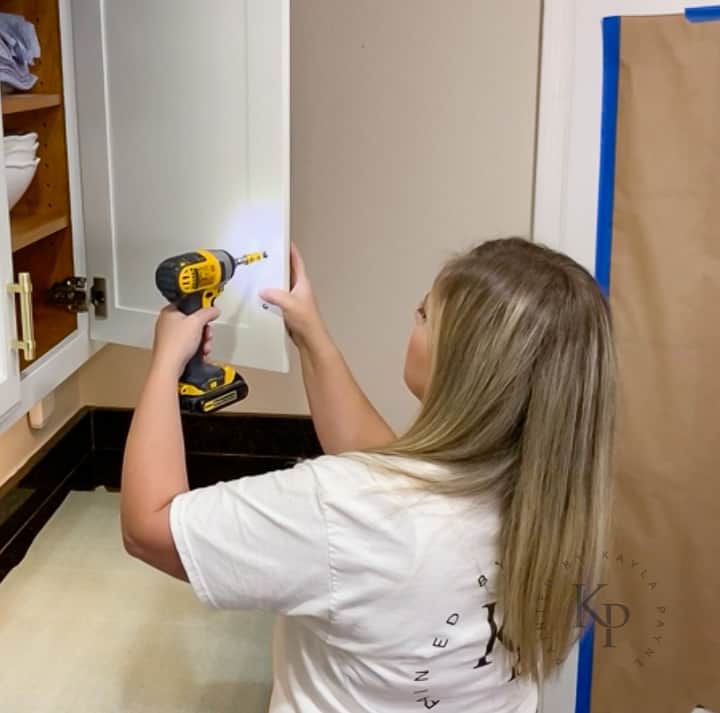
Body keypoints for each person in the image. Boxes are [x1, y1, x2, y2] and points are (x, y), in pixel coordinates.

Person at [119, 238, 615, 712]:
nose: (413, 319)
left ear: (465, 366)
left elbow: (149, 528)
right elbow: (391, 481)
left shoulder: (343, 507)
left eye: (425, 313)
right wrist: (311, 336)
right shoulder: (559, 509)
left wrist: (165, 363)